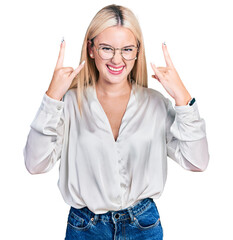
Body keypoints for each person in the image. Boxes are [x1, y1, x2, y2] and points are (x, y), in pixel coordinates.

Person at [23, 4, 209, 240]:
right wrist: (52, 97)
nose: (117, 59)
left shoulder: (155, 104)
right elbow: (34, 164)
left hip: (144, 227)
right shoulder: (69, 103)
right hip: (85, 228)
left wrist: (182, 97)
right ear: (91, 49)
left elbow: (197, 161)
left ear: (137, 52)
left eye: (127, 49)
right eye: (107, 48)